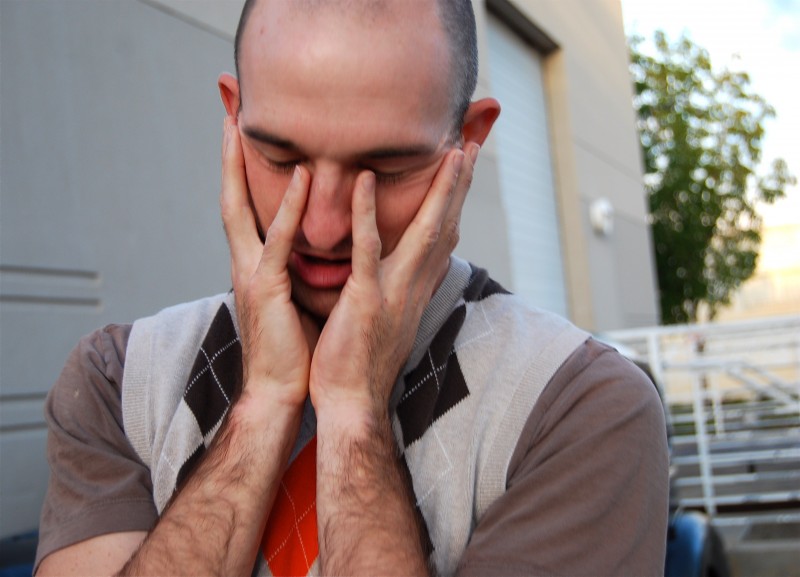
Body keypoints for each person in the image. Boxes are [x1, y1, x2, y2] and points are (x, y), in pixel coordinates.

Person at [35, 0, 670, 575]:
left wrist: (353, 412)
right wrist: (262, 407)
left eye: (385, 170)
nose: (324, 226)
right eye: (282, 161)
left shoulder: (577, 410)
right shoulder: (119, 382)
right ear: (232, 118)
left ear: (468, 142)